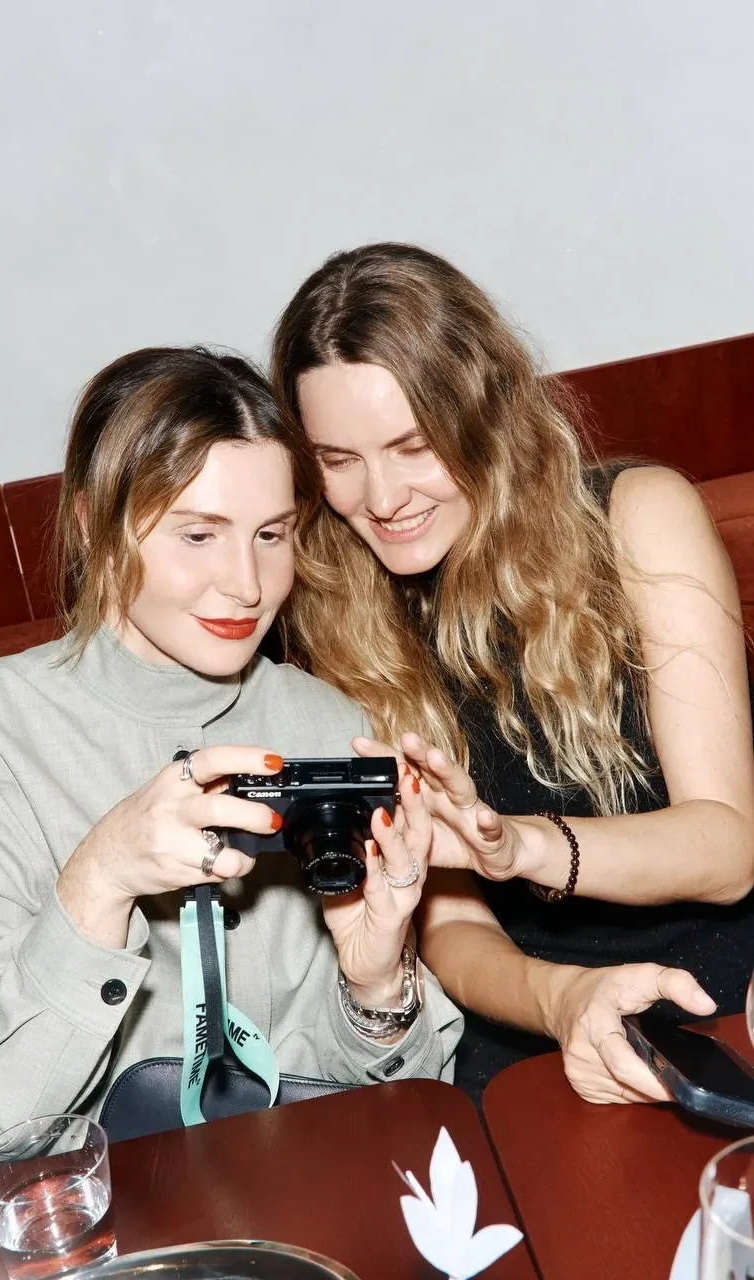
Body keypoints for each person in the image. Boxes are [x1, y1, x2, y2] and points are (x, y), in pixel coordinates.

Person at [0, 346, 462, 1156]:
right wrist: (98, 882)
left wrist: (374, 983)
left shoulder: (326, 725)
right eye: (198, 534)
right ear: (94, 525)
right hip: (93, 1207)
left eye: (271, 534)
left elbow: (405, 1101)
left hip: (309, 1182)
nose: (246, 584)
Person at [270, 242, 754, 1105]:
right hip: (532, 1025)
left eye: (413, 445)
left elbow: (727, 849)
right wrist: (562, 1001)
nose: (380, 498)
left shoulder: (636, 517)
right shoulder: (333, 607)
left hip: (728, 1000)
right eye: (338, 461)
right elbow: (449, 922)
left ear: (483, 416)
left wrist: (520, 846)